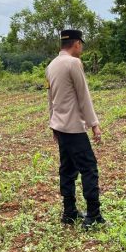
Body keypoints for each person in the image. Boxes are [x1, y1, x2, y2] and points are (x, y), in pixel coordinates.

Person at [45, 29, 105, 228]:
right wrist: (94, 124)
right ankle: (93, 215)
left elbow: (50, 99)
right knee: (89, 168)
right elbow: (83, 96)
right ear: (77, 43)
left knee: (68, 169)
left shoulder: (51, 65)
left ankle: (69, 212)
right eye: (81, 44)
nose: (82, 47)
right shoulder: (74, 63)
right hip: (73, 128)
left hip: (60, 127)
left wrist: (52, 123)